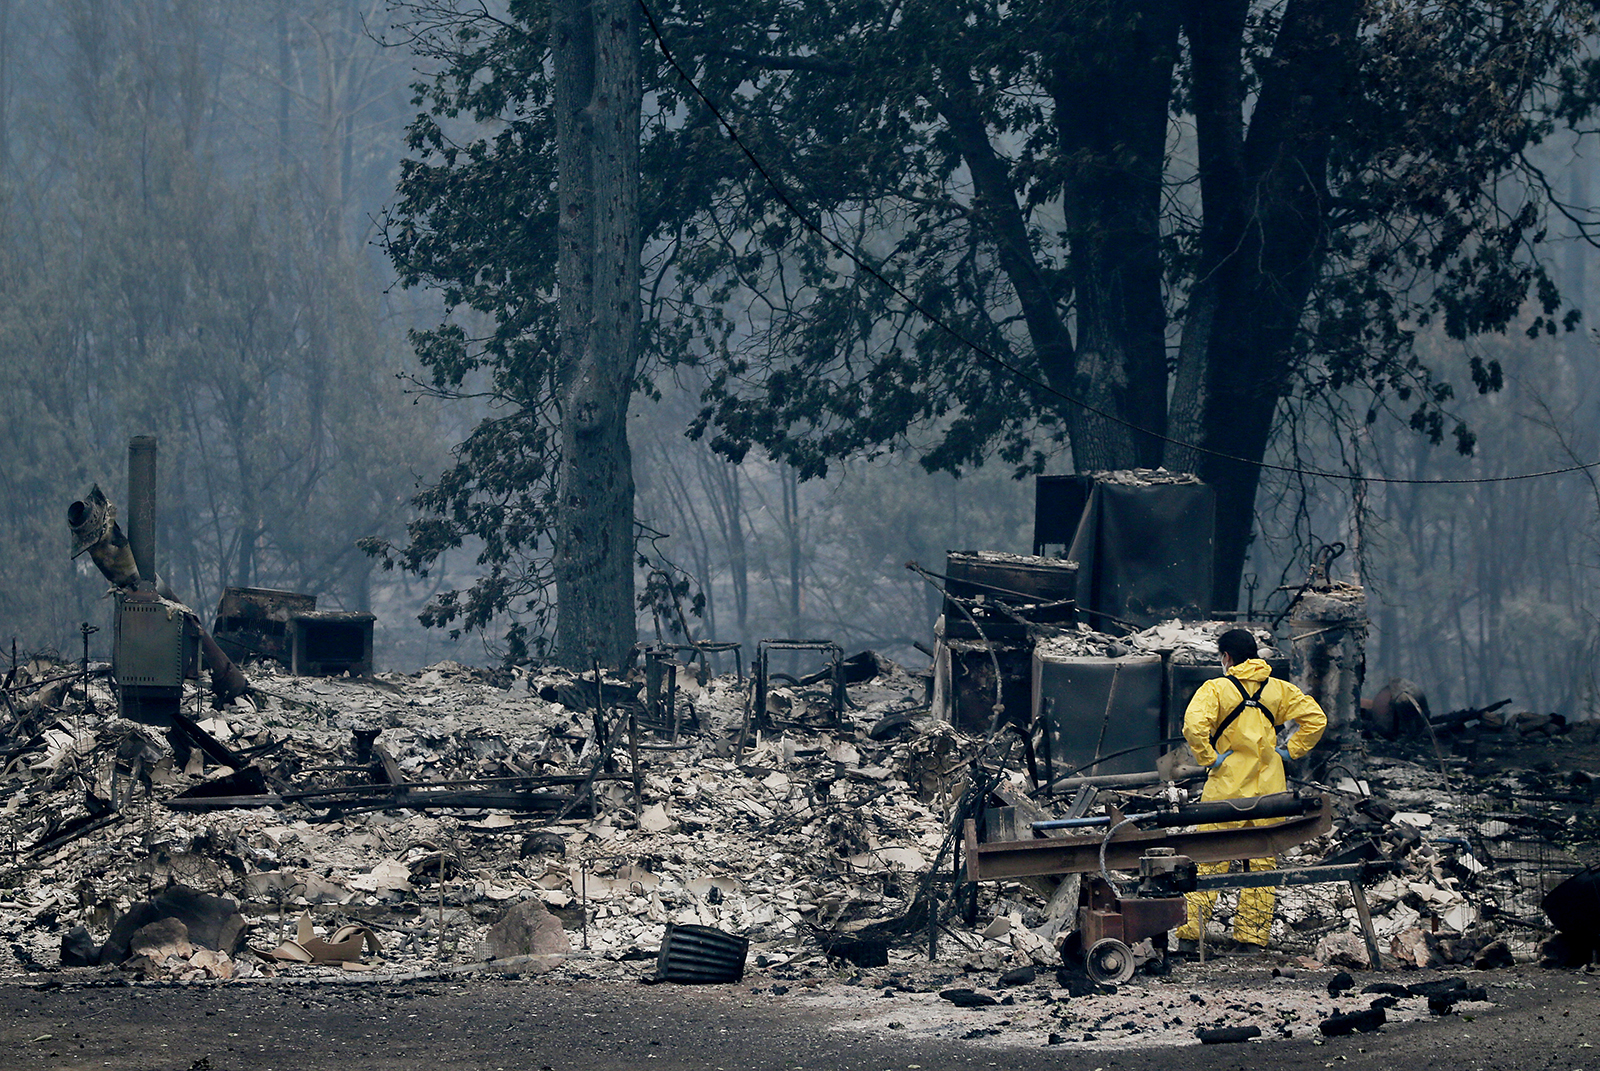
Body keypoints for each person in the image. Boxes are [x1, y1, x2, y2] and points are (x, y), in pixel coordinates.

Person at [1173, 628, 1327, 948]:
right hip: (1270, 794)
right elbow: (1316, 718)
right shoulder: (1278, 690)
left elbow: (1193, 725)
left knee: (1209, 858)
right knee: (1261, 864)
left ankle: (1191, 937)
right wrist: (1290, 751)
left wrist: (1210, 759)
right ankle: (1251, 940)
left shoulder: (1216, 689)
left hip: (1226, 791)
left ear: (1226, 657)